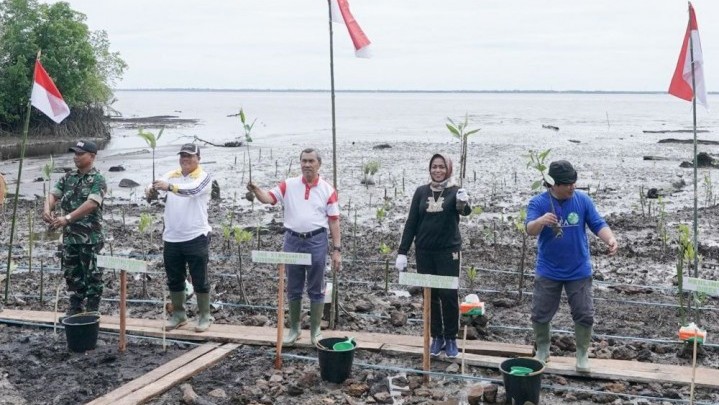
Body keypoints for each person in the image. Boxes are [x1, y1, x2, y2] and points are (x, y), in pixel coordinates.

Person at [525, 160, 618, 373]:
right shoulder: (538, 203)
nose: (572, 187)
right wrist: (541, 221)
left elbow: (597, 223)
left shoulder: (582, 200)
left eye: (574, 182)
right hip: (548, 269)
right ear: (552, 184)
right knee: (540, 312)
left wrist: (610, 239)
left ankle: (582, 353)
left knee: (584, 312)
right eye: (567, 184)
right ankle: (543, 349)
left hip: (579, 269)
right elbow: (530, 230)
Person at [247, 148, 341, 346]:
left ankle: (315, 331)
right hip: (292, 240)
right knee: (293, 286)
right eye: (304, 161)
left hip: (316, 240)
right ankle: (295, 329)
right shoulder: (288, 185)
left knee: (317, 286)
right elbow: (268, 199)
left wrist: (336, 249)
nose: (307, 164)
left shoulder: (327, 189)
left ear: (319, 164)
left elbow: (334, 221)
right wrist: (256, 190)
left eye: (311, 161)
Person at [395, 153, 471, 358]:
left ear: (449, 169)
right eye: (434, 167)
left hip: (448, 252)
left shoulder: (456, 191)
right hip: (425, 252)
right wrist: (403, 252)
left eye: (441, 167)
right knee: (431, 295)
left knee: (448, 295)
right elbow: (411, 223)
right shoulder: (421, 192)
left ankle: (451, 337)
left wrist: (464, 202)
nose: (437, 170)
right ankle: (436, 336)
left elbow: (464, 212)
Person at [147, 143, 214, 332]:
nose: (185, 159)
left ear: (198, 159)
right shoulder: (172, 174)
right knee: (174, 278)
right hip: (172, 236)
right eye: (183, 155)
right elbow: (155, 186)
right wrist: (150, 190)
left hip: (196, 235)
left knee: (200, 278)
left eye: (190, 156)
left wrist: (169, 187)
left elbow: (192, 190)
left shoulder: (203, 177)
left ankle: (204, 316)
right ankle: (179, 314)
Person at [43, 140, 106, 316]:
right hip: (70, 236)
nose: (76, 157)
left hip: (90, 237)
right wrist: (47, 208)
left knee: (92, 274)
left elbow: (92, 203)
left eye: (80, 154)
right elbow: (53, 194)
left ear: (92, 157)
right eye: (75, 153)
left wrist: (67, 218)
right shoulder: (68, 178)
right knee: (72, 272)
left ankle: (92, 309)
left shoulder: (98, 180)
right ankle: (75, 306)